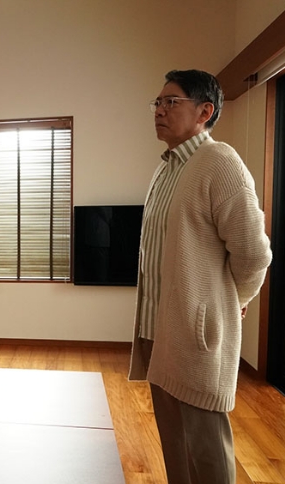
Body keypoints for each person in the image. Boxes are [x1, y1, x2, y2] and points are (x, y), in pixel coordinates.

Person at [128, 69, 272, 484]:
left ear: (204, 111)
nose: (159, 110)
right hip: (158, 331)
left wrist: (232, 303)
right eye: (157, 103)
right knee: (174, 446)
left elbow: (253, 254)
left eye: (171, 102)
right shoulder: (166, 169)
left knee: (205, 453)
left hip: (195, 336)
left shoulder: (219, 162)